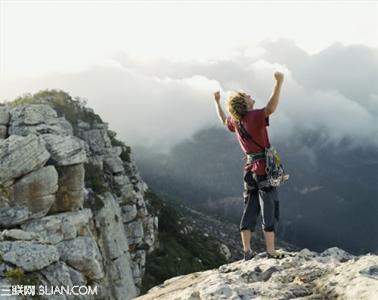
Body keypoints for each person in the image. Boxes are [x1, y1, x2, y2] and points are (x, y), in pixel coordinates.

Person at [212, 72, 285, 261]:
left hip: (249, 168)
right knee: (268, 205)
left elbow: (222, 119)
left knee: (250, 206)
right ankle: (271, 251)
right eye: (247, 96)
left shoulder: (236, 121)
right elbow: (271, 108)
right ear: (245, 105)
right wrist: (279, 83)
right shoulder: (253, 116)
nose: (251, 96)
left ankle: (246, 251)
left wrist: (217, 102)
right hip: (263, 168)